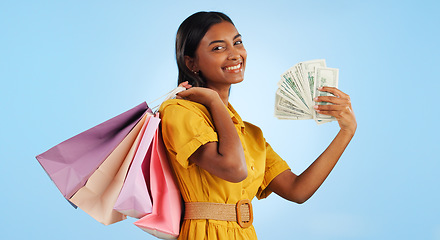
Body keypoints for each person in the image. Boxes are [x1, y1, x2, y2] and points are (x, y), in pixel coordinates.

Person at [159, 11, 357, 240]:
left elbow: (297, 190)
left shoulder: (250, 134)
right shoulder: (179, 112)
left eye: (238, 42)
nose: (235, 54)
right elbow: (234, 169)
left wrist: (346, 132)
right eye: (218, 48)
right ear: (191, 62)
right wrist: (214, 101)